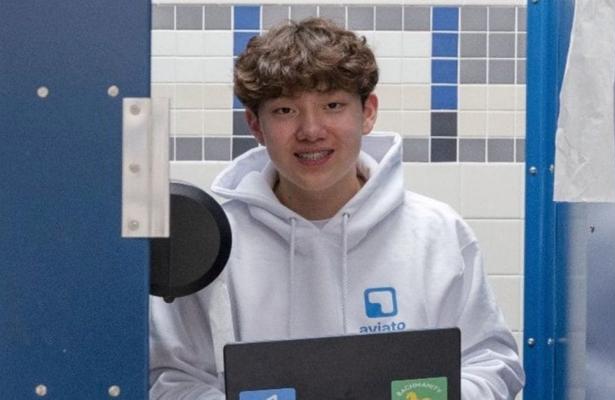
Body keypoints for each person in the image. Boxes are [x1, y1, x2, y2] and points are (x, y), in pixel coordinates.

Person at [150, 17, 524, 399]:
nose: (311, 131)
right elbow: (169, 379)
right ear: (255, 125)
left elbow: (490, 363)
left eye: (332, 105)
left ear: (368, 112)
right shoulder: (209, 245)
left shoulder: (437, 232)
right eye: (285, 110)